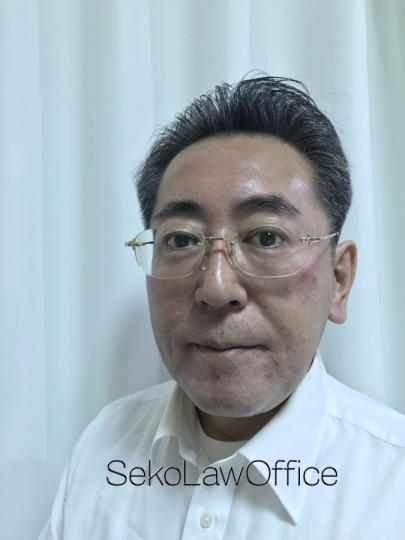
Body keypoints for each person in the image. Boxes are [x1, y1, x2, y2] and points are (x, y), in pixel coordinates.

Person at [39, 76, 405, 539]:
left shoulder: (391, 484)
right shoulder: (106, 443)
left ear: (339, 279)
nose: (215, 287)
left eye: (266, 237)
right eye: (181, 240)